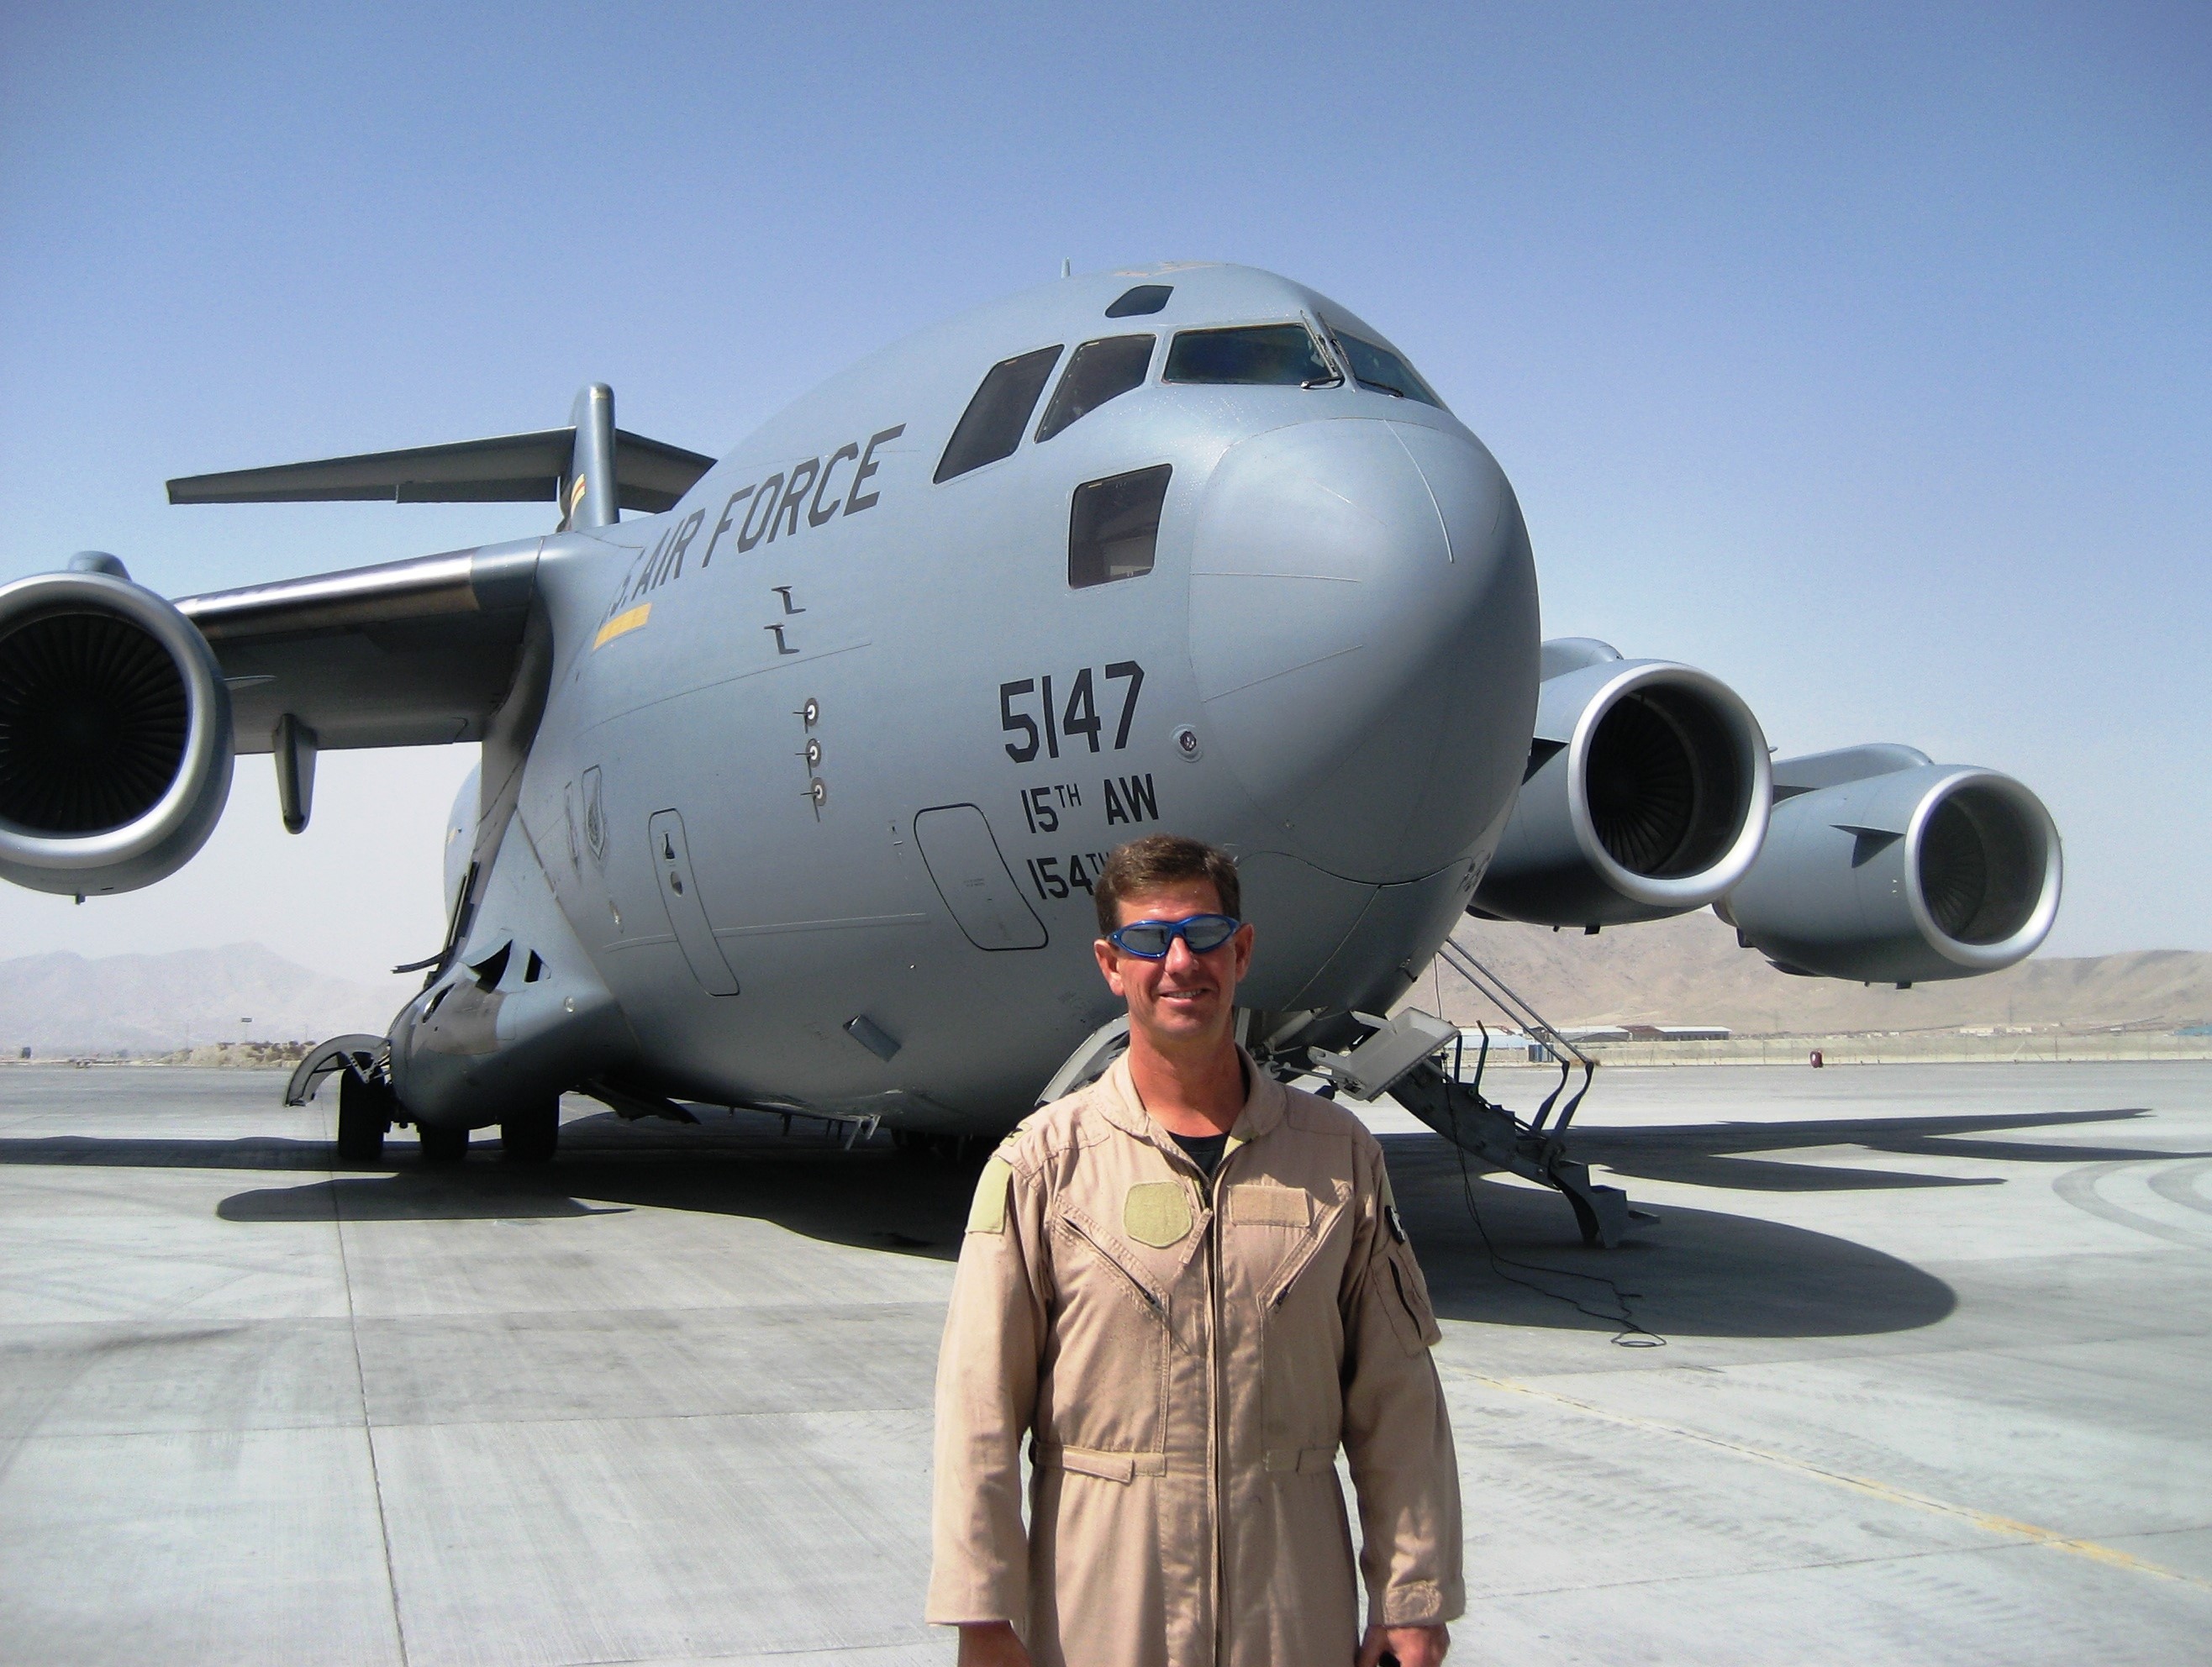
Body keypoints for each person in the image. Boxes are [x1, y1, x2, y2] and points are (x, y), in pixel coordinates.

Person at [927, 833, 1462, 1666]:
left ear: (1240, 950)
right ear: (1111, 963)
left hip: (1290, 1614)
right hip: (1101, 1613)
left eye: (1204, 936)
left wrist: (1413, 1596)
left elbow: (1398, 1400)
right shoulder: (1042, 1166)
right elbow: (978, 1412)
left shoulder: (1337, 1158)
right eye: (1148, 941)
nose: (1180, 962)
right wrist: (984, 1616)